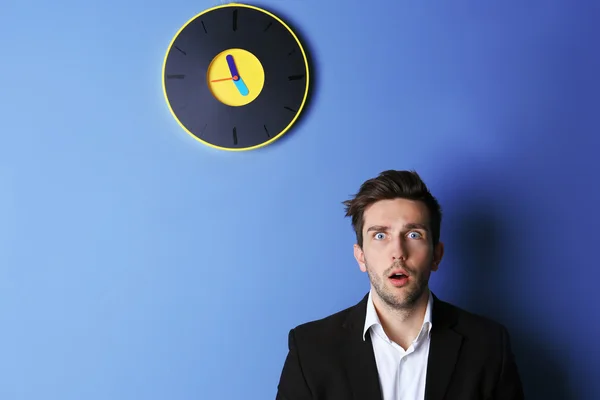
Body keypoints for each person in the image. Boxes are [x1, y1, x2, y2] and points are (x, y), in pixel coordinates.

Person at [275, 170, 524, 400]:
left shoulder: (489, 345)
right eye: (380, 235)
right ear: (361, 255)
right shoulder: (310, 350)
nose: (398, 252)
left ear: (436, 255)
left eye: (413, 234)